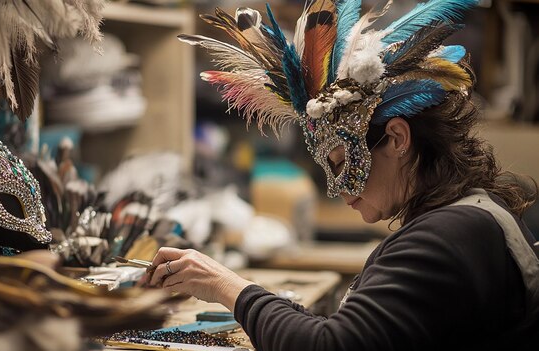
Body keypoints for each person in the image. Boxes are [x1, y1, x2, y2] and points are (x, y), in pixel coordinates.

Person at [143, 0, 539, 350]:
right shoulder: (469, 217)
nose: (337, 190)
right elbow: (356, 329)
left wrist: (226, 286)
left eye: (340, 161)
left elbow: (329, 344)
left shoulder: (447, 238)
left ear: (398, 137)